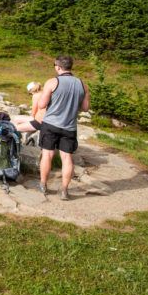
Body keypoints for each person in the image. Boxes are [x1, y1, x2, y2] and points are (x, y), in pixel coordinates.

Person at [36, 55, 90, 201]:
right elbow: (85, 108)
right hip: (69, 127)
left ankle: (43, 184)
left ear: (58, 67)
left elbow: (41, 105)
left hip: (50, 124)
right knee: (67, 158)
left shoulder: (52, 82)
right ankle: (65, 190)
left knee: (47, 154)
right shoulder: (83, 84)